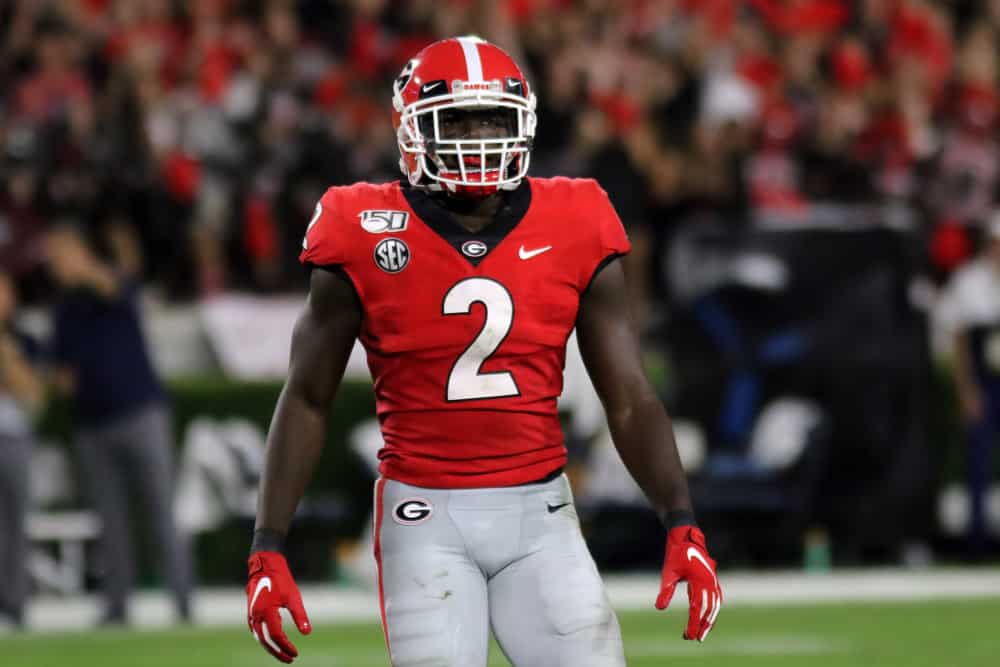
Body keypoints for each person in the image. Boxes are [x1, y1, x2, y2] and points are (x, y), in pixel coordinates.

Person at [246, 37, 722, 666]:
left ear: (521, 123)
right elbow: (308, 397)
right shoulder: (358, 226)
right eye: (458, 121)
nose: (478, 138)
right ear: (413, 130)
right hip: (424, 518)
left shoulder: (575, 216)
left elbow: (629, 398)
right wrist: (268, 544)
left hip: (541, 514)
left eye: (493, 120)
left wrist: (680, 519)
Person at [45, 224, 192, 625]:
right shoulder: (64, 308)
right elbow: (62, 373)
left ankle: (182, 602)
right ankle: (116, 606)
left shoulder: (111, 283)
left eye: (59, 256)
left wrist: (85, 268)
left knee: (161, 509)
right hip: (92, 424)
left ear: (79, 252)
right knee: (109, 520)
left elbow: (116, 288)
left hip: (141, 414)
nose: (54, 267)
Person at [940, 213, 1000, 559]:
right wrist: (967, 390)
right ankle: (976, 541)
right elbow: (960, 340)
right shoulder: (969, 281)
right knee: (978, 460)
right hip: (983, 380)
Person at [0, 271, 45, 629]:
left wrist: (7, 355)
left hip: (13, 437)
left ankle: (13, 605)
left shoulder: (25, 340)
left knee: (15, 524)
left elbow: (33, 396)